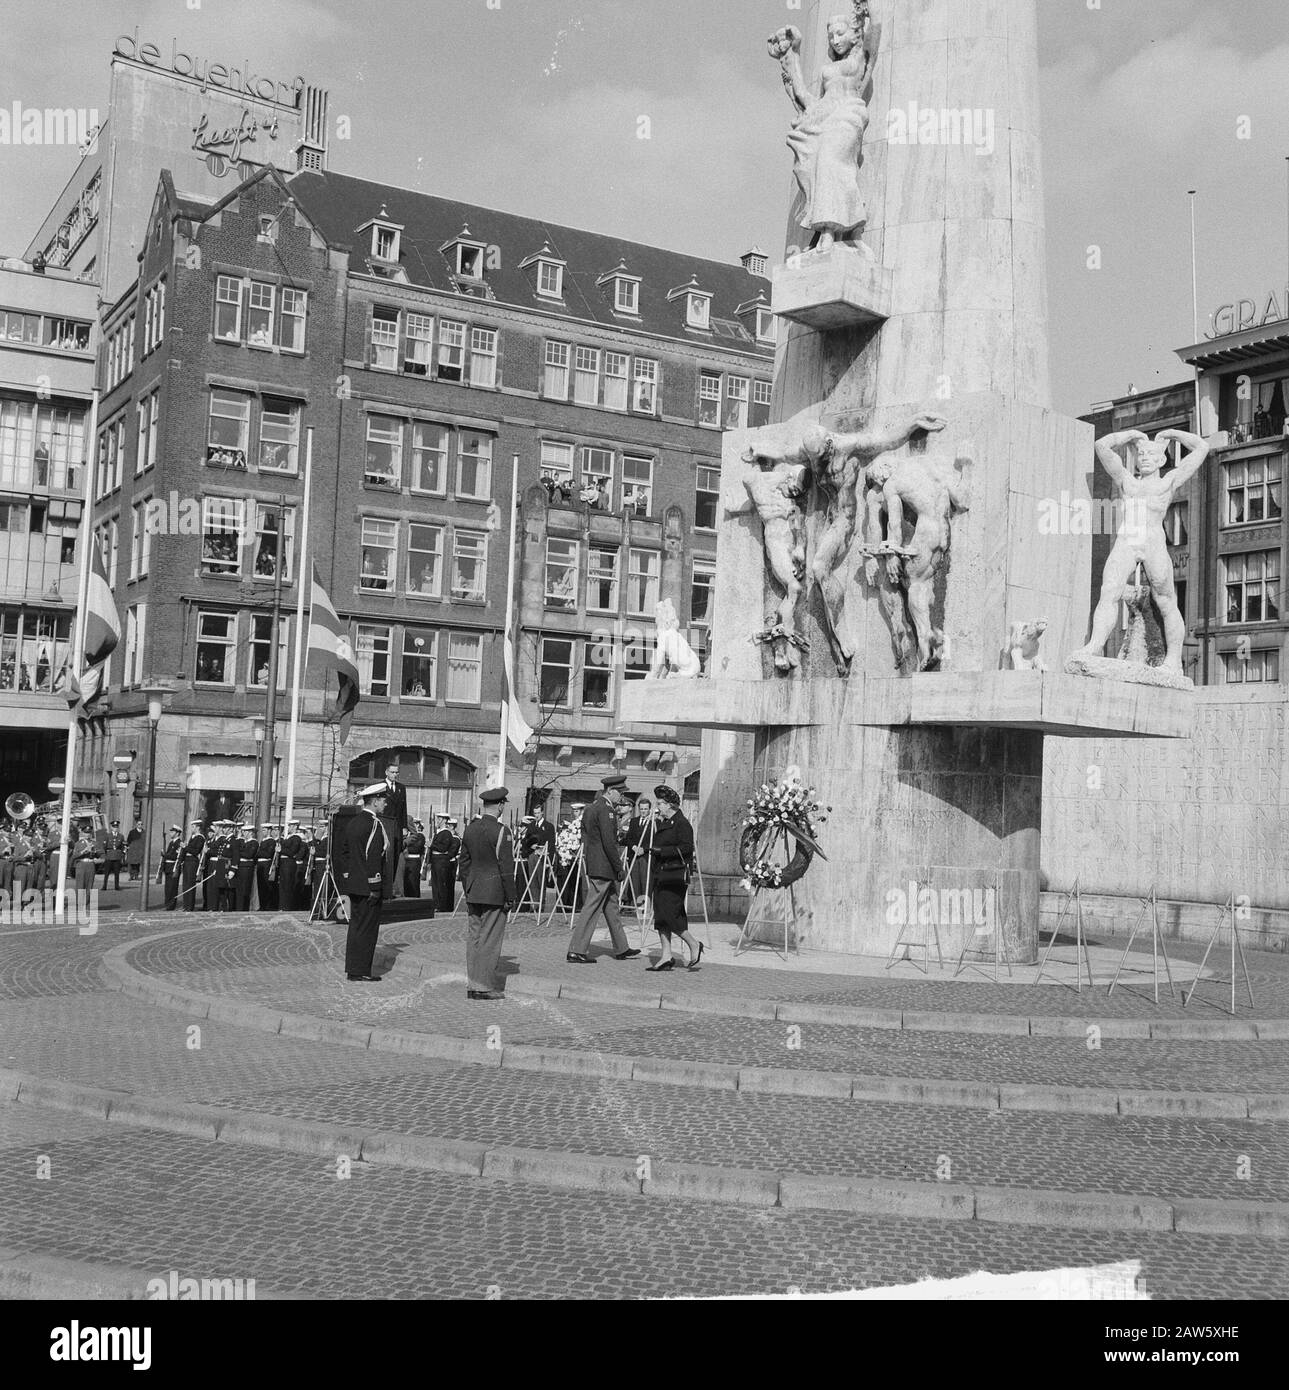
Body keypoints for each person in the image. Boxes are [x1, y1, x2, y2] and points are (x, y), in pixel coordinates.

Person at [1070, 429, 1211, 674]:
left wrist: (1174, 433)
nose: (1144, 457)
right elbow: (1102, 446)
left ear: (1162, 460)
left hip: (1154, 541)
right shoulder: (1127, 481)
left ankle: (1173, 660)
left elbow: (1201, 448)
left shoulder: (1169, 481)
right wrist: (1130, 435)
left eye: (1151, 454)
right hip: (1128, 539)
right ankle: (1095, 645)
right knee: (1109, 590)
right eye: (1141, 454)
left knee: (1166, 600)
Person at [566, 774, 640, 964]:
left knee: (612, 907)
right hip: (604, 866)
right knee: (591, 908)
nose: (621, 797)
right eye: (619, 792)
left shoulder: (591, 808)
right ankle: (576, 950)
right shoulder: (606, 810)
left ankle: (621, 947)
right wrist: (619, 867)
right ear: (610, 791)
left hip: (596, 864)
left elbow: (585, 835)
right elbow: (609, 843)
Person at [458, 786, 517, 999]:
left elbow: (463, 863)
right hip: (494, 893)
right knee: (489, 940)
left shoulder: (470, 828)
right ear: (500, 805)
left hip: (474, 891)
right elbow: (506, 867)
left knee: (474, 938)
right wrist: (511, 895)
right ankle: (483, 987)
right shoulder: (502, 831)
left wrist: (469, 886)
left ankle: (473, 984)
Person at [333, 784, 393, 982]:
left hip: (355, 884)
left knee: (356, 927)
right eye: (383, 800)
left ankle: (354, 968)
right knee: (367, 930)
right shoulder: (373, 824)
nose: (385, 803)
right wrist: (375, 886)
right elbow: (373, 857)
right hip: (369, 886)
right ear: (374, 801)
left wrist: (350, 878)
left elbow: (344, 854)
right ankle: (362, 970)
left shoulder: (354, 822)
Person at [645, 785, 704, 971]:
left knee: (671, 914)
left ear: (670, 805)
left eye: (660, 803)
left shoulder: (682, 823)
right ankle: (666, 956)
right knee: (661, 916)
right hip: (661, 875)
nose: (658, 807)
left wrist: (662, 851)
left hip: (675, 876)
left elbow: (687, 848)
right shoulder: (665, 822)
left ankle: (694, 944)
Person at [379, 762, 407, 899]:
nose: (394, 775)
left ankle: (389, 889)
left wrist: (404, 827)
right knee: (385, 857)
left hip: (396, 829)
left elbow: (403, 809)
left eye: (396, 772)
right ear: (386, 772)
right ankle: (382, 889)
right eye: (392, 772)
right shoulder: (380, 787)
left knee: (395, 857)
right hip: (385, 826)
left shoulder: (401, 788)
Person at [622, 797, 654, 907]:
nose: (643, 811)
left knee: (645, 882)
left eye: (646, 809)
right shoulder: (634, 821)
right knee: (635, 882)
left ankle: (646, 907)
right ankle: (638, 906)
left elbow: (654, 840)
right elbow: (629, 838)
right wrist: (634, 847)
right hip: (634, 856)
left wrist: (643, 849)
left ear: (649, 809)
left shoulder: (654, 823)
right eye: (641, 809)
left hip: (646, 857)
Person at [428, 813, 456, 910]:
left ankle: (442, 905)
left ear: (444, 820)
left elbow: (443, 848)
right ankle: (436, 904)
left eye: (439, 819)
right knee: (435, 884)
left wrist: (431, 845)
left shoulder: (446, 833)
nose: (437, 821)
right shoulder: (438, 833)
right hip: (436, 860)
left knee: (441, 883)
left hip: (441, 860)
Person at [180, 821, 205, 911]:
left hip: (193, 862)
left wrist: (185, 847)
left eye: (193, 827)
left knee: (190, 884)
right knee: (185, 884)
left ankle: (190, 906)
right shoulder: (192, 837)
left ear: (198, 827)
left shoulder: (200, 838)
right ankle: (186, 905)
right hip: (187, 861)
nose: (192, 829)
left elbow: (196, 851)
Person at [279, 820, 304, 911]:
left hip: (289, 863)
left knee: (288, 884)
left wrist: (281, 849)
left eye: (290, 826)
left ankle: (288, 906)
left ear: (294, 827)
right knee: (283, 884)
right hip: (283, 862)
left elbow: (293, 851)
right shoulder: (287, 838)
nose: (288, 828)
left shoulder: (296, 838)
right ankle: (282, 905)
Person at [72, 822, 98, 901]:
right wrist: (84, 851)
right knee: (80, 884)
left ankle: (86, 903)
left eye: (89, 833)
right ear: (82, 833)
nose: (87, 835)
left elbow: (100, 854)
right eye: (86, 833)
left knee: (89, 884)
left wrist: (94, 852)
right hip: (81, 864)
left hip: (90, 864)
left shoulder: (94, 843)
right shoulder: (78, 843)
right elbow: (74, 856)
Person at [256, 823, 279, 910]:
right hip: (260, 864)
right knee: (261, 885)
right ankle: (262, 905)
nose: (263, 832)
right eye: (262, 830)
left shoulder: (271, 841)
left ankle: (268, 905)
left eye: (265, 830)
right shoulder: (263, 841)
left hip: (266, 864)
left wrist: (258, 853)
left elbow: (268, 854)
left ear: (269, 831)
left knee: (267, 885)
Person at [402, 819, 427, 899]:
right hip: (406, 861)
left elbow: (416, 848)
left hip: (414, 861)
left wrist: (406, 844)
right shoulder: (407, 836)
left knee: (413, 882)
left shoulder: (420, 836)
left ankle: (415, 898)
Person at [159, 827, 182, 911]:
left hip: (173, 866)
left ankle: (171, 905)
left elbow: (176, 856)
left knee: (172, 888)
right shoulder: (171, 843)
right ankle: (167, 903)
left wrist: (165, 855)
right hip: (168, 867)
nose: (171, 833)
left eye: (172, 832)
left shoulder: (179, 843)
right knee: (167, 887)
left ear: (177, 833)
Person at [101, 820, 125, 890]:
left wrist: (122, 854)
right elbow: (104, 846)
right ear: (111, 827)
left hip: (117, 856)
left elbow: (122, 846)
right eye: (114, 827)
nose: (115, 828)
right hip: (109, 855)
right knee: (107, 872)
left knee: (117, 872)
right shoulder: (107, 836)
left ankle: (116, 886)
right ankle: (104, 886)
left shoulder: (121, 836)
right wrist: (106, 854)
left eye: (116, 827)